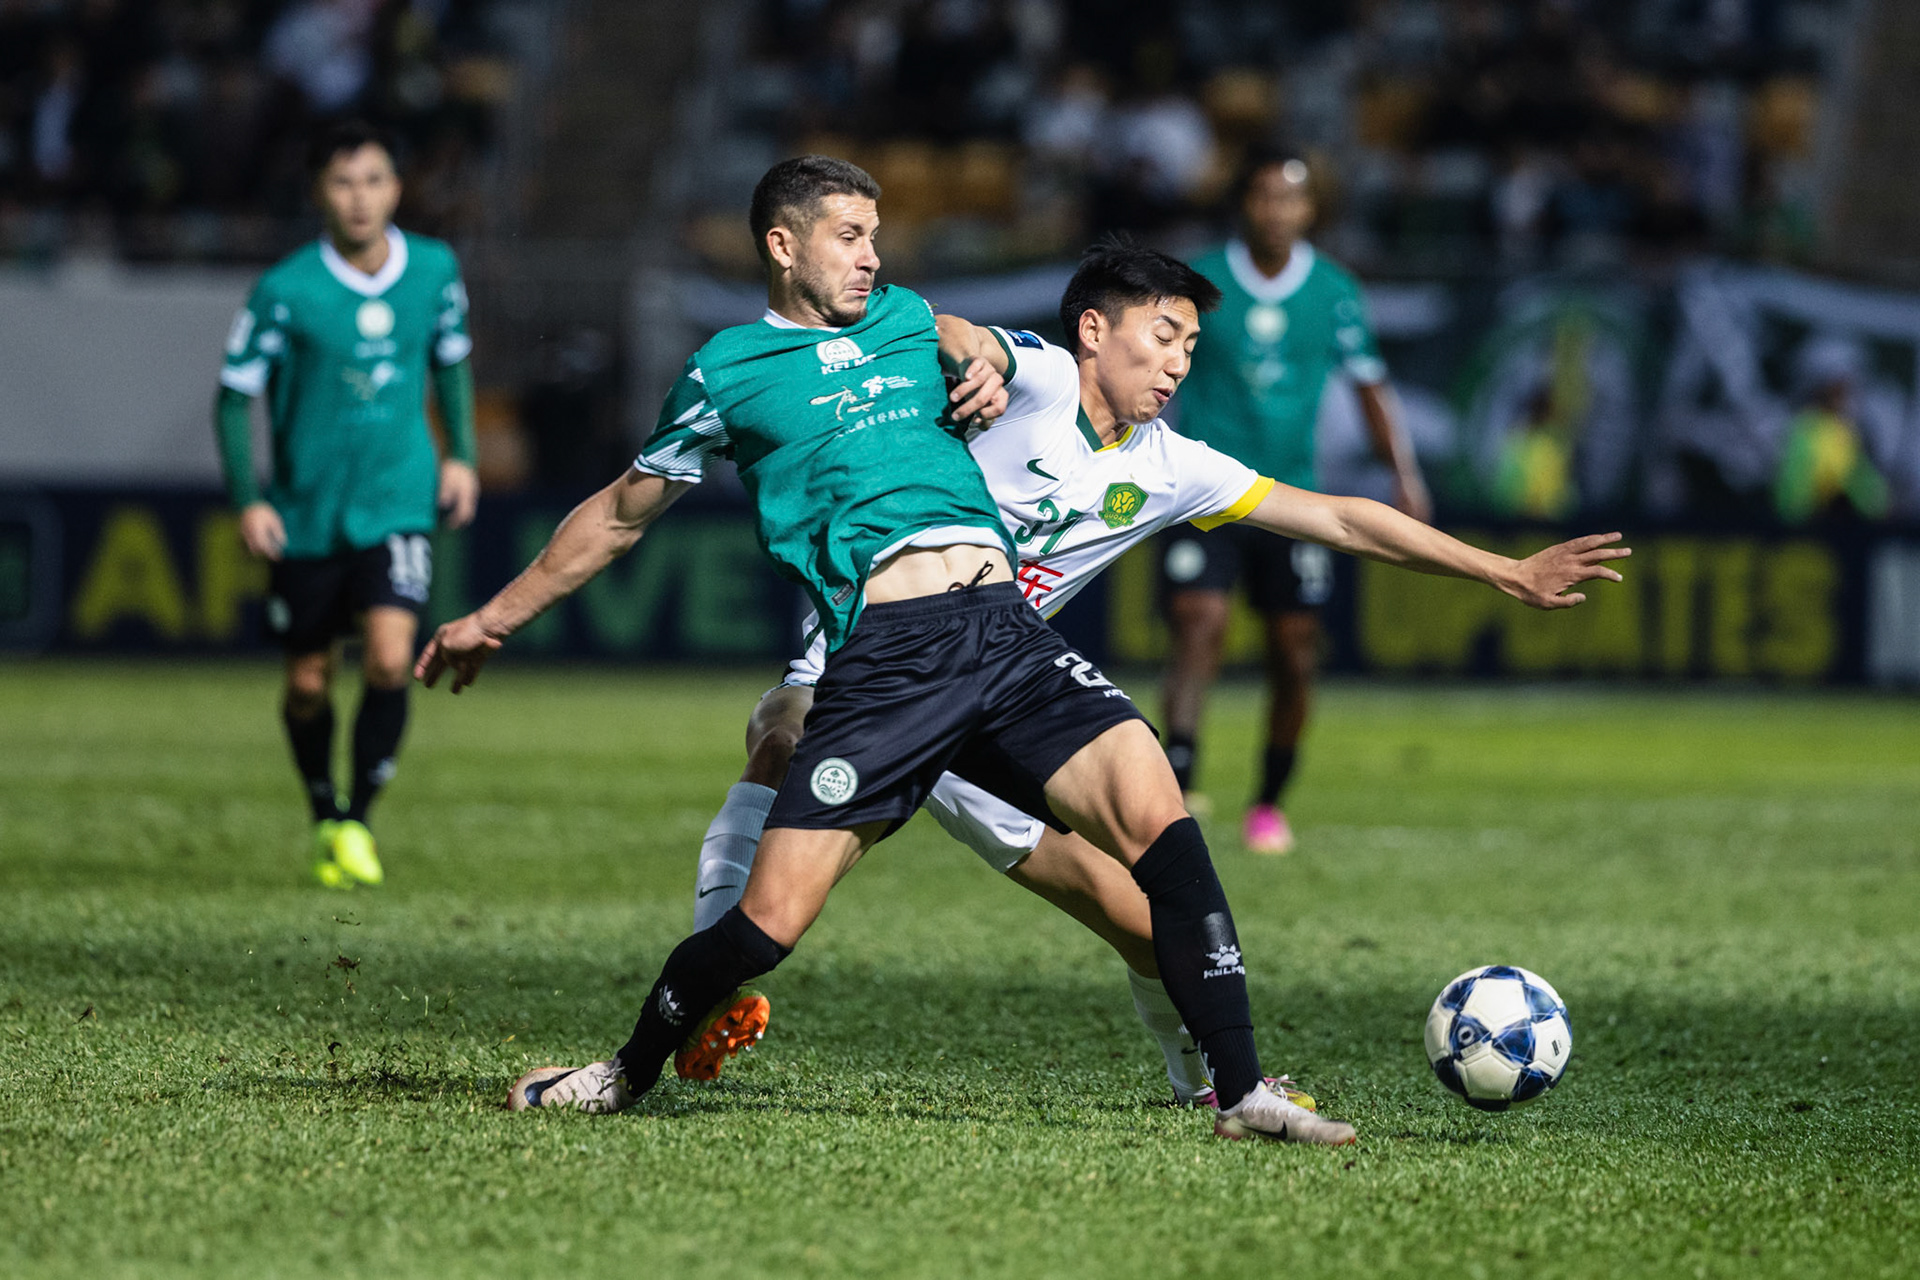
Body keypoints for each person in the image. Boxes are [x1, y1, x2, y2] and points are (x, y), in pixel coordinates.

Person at [418, 156, 1351, 1144]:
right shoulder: (727, 373)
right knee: (762, 923)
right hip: (888, 657)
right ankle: (621, 1073)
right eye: (850, 236)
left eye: (876, 235)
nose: (873, 256)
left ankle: (1243, 1091)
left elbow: (959, 333)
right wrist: (494, 617)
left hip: (1004, 629)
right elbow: (614, 515)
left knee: (1161, 820)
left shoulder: (905, 319)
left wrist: (983, 361)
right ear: (783, 246)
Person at [682, 238, 1632, 1106]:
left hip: (1001, 703)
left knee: (1146, 922)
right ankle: (708, 994)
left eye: (1190, 345)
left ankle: (1202, 1082)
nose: (1180, 361)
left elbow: (1341, 517)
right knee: (784, 724)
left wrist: (1501, 569)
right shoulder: (1037, 383)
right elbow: (949, 328)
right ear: (1095, 331)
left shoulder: (1173, 466)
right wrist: (967, 351)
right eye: (1164, 335)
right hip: (887, 654)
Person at [215, 120, 479, 889]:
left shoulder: (433, 269)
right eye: (342, 181)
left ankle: (359, 818)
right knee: (306, 683)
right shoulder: (286, 289)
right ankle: (324, 809)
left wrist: (458, 453)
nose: (359, 198)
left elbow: (454, 362)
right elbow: (233, 398)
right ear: (317, 192)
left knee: (393, 657)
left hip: (397, 497)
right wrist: (249, 499)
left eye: (373, 180)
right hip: (305, 512)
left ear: (396, 188)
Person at [1161, 148, 1431, 854]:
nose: (1277, 211)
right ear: (1243, 204)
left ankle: (1268, 802)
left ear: (1311, 210)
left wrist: (1405, 474)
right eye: (1264, 197)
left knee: (1294, 648)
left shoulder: (1335, 290)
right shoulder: (1204, 281)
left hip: (1291, 497)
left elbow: (1370, 382)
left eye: (1291, 199)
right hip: (1205, 485)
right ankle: (1179, 776)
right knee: (1199, 621)